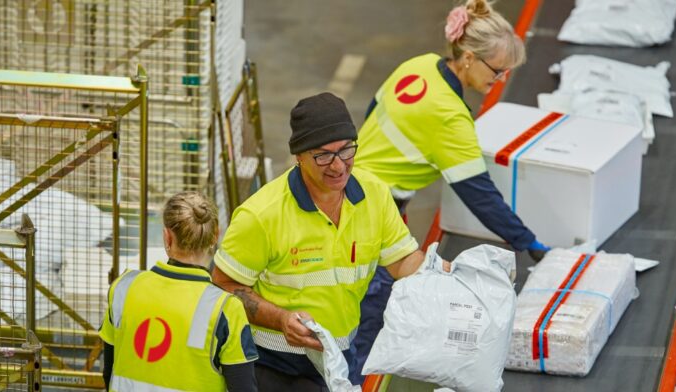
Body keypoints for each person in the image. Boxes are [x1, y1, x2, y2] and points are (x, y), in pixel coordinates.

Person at [350, 0, 550, 381]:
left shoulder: (419, 65)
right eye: (498, 70)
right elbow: (478, 194)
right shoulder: (449, 116)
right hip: (375, 211)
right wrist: (528, 242)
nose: (501, 79)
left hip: (357, 189)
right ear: (470, 58)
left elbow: (373, 112)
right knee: (371, 315)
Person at [212, 92, 449, 390]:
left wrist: (450, 278)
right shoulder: (261, 215)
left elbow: (401, 260)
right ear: (298, 156)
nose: (338, 166)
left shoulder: (373, 194)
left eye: (346, 150)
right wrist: (281, 319)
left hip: (337, 357)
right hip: (272, 363)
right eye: (323, 155)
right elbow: (224, 285)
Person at [99, 191, 258, 391]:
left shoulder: (124, 288)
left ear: (167, 236)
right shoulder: (225, 309)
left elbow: (109, 371)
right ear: (215, 235)